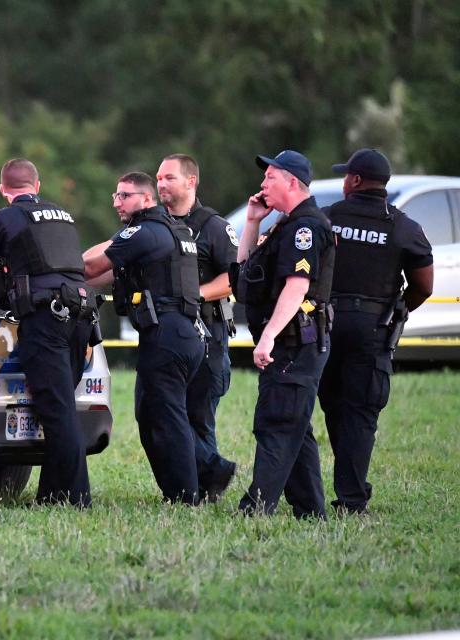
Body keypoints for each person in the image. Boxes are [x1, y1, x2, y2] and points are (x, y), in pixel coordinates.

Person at [318, 149, 433, 514]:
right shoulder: (403, 227)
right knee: (361, 412)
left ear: (353, 180)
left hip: (327, 324)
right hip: (373, 329)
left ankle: (350, 488)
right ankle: (352, 497)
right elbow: (424, 286)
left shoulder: (328, 218)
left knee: (334, 406)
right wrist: (397, 310)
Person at [84, 171, 204, 504]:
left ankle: (185, 496)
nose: (117, 201)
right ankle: (189, 485)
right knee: (153, 414)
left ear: (146, 199)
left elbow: (92, 268)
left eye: (125, 195)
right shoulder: (166, 229)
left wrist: (55, 270)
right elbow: (108, 265)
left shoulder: (144, 231)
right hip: (178, 333)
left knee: (166, 416)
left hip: (167, 333)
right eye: (115, 195)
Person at [0, 158, 93, 507]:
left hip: (46, 318)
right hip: (81, 317)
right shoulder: (62, 214)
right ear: (38, 186)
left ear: (4, 190)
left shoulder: (4, 218)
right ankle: (54, 492)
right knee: (62, 406)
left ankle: (72, 498)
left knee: (57, 410)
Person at [231, 150, 334, 519]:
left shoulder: (306, 228)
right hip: (290, 343)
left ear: (292, 182)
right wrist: (252, 222)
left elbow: (297, 286)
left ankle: (255, 509)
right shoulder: (285, 224)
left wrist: (269, 336)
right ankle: (311, 511)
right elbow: (243, 270)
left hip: (295, 343)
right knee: (294, 426)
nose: (262, 185)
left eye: (270, 177)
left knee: (276, 424)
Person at [156, 154, 238, 501]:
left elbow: (234, 278)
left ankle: (208, 483)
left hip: (208, 334)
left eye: (169, 178)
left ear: (191, 181)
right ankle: (194, 480)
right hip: (168, 336)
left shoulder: (214, 226)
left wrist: (191, 296)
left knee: (198, 415)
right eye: (158, 178)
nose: (161, 184)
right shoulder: (155, 223)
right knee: (165, 413)